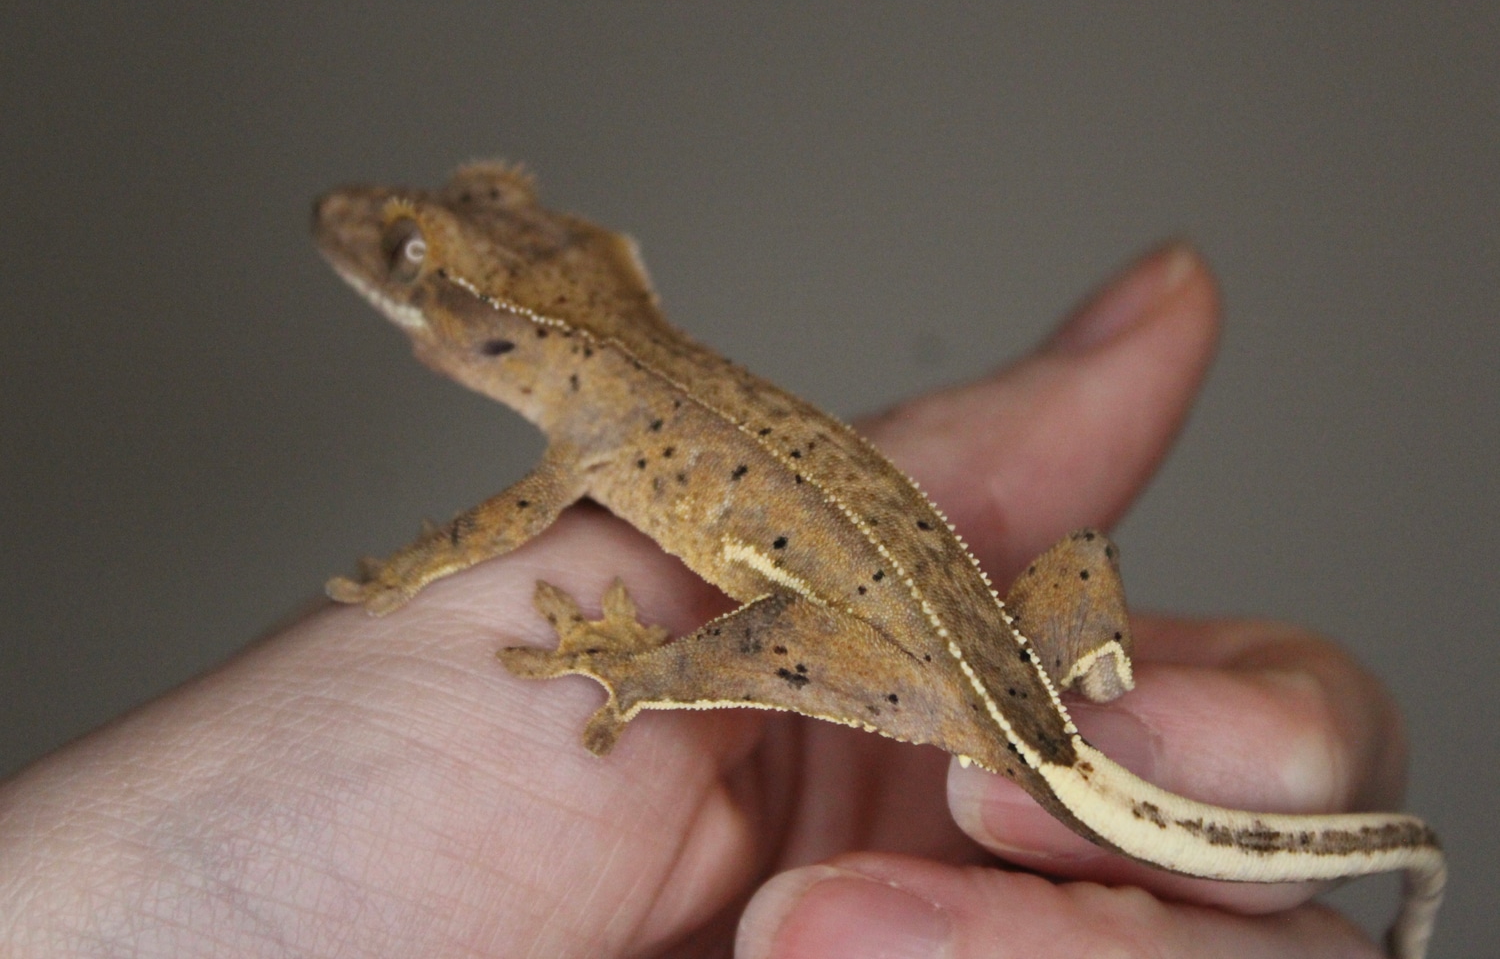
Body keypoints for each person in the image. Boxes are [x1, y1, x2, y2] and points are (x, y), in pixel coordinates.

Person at [0, 247, 1404, 957]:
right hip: (979, 660)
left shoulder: (599, 432)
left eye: (419, 266)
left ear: (519, 324)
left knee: (742, 649)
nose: (376, 254)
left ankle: (656, 681)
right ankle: (1084, 706)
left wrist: (445, 592)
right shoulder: (627, 402)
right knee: (1073, 572)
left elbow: (504, 525)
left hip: (912, 669)